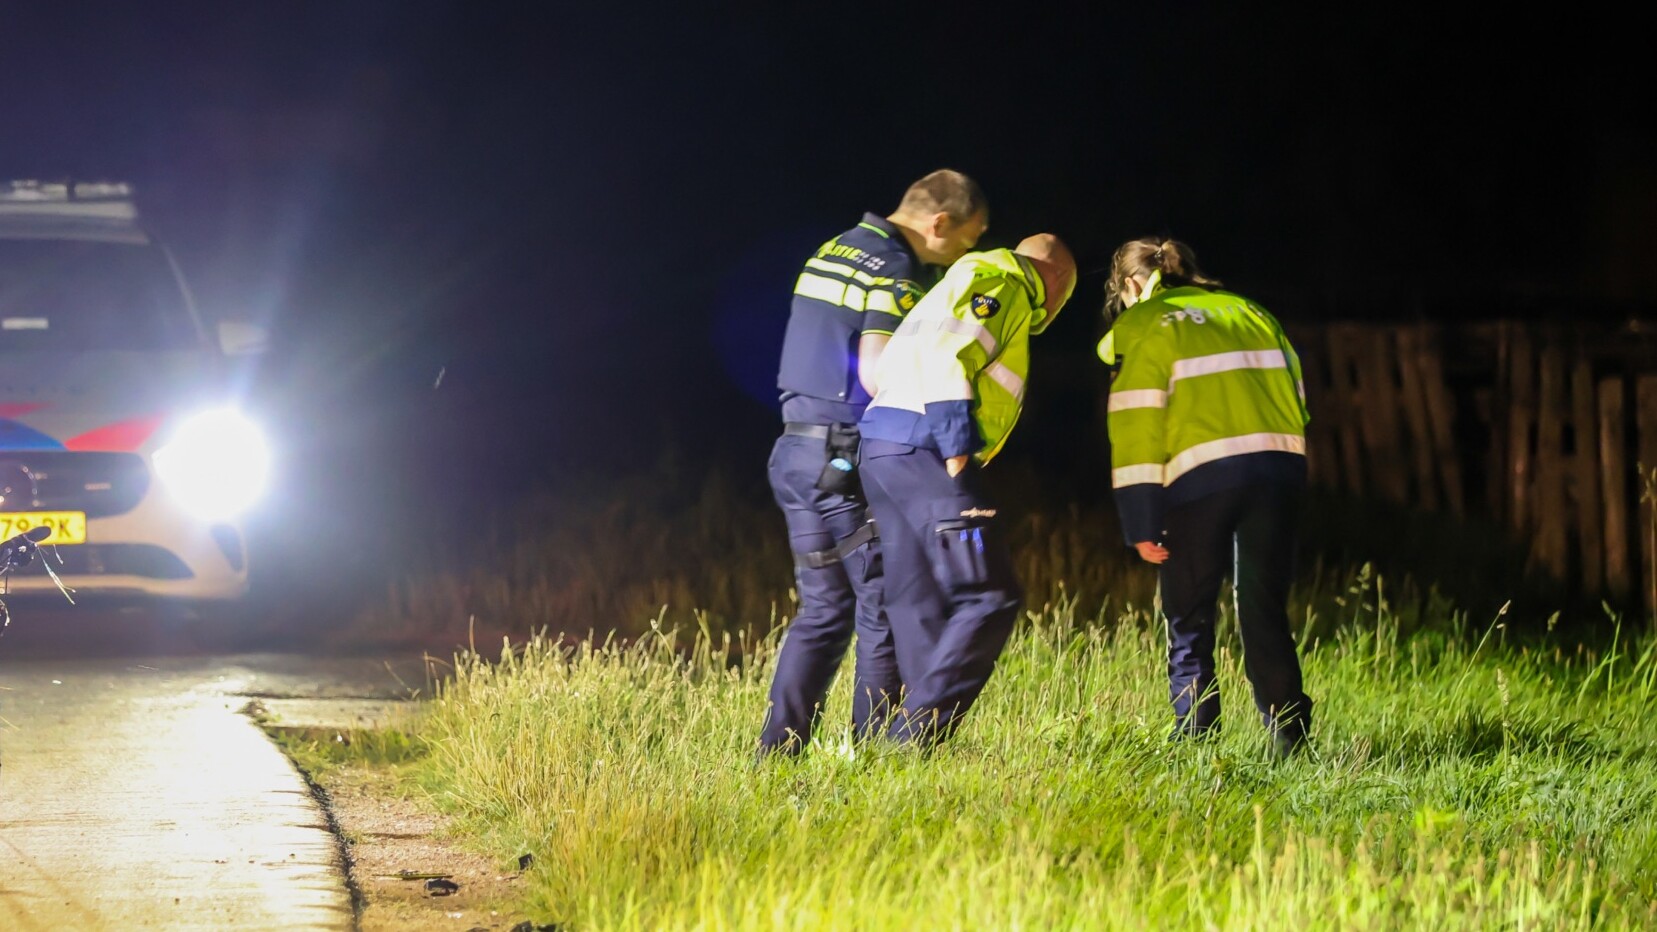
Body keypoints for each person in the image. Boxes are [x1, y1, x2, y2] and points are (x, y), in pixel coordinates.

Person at [759, 169, 990, 756]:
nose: (963, 256)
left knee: (823, 610)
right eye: (967, 240)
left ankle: (776, 755)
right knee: (882, 599)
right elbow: (875, 368)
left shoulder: (836, 247)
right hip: (839, 451)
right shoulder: (897, 266)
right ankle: (873, 759)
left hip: (794, 448)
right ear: (939, 223)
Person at [1098, 236, 1313, 757]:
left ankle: (1195, 737)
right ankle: (1290, 740)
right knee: (1263, 607)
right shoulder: (1249, 311)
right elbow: (1298, 397)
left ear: (1131, 284)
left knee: (1189, 610)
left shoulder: (1144, 323)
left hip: (1198, 477)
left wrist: (1140, 516)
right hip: (1278, 469)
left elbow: (1136, 423)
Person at [857, 233, 1075, 746]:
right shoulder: (1006, 282)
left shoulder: (955, 279)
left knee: (915, 603)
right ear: (1059, 282)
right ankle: (910, 743)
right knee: (989, 596)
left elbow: (895, 362)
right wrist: (954, 438)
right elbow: (948, 350)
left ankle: (875, 748)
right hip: (928, 444)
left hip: (884, 443)